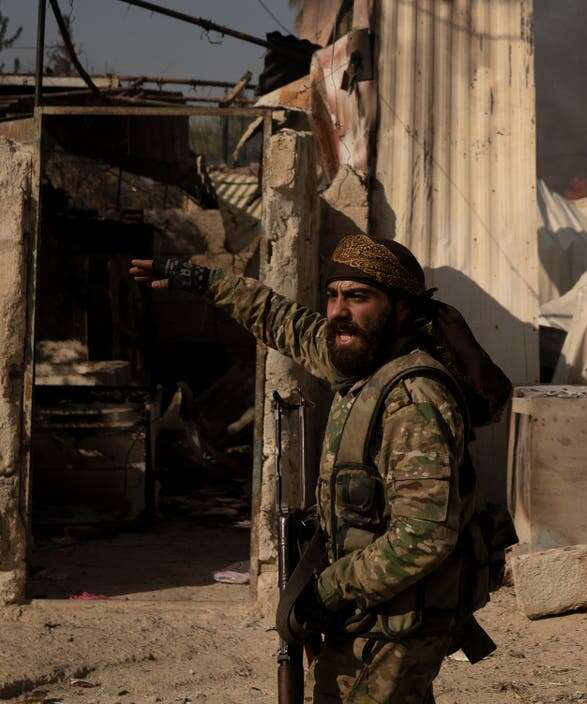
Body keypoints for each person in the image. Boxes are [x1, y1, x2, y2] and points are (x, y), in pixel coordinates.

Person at [130, 233, 511, 704]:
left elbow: (424, 536)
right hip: (374, 611)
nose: (337, 312)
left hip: (397, 623)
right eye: (333, 296)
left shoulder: (411, 401)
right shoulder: (357, 359)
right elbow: (276, 317)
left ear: (400, 307)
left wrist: (328, 590)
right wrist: (197, 279)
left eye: (358, 297)